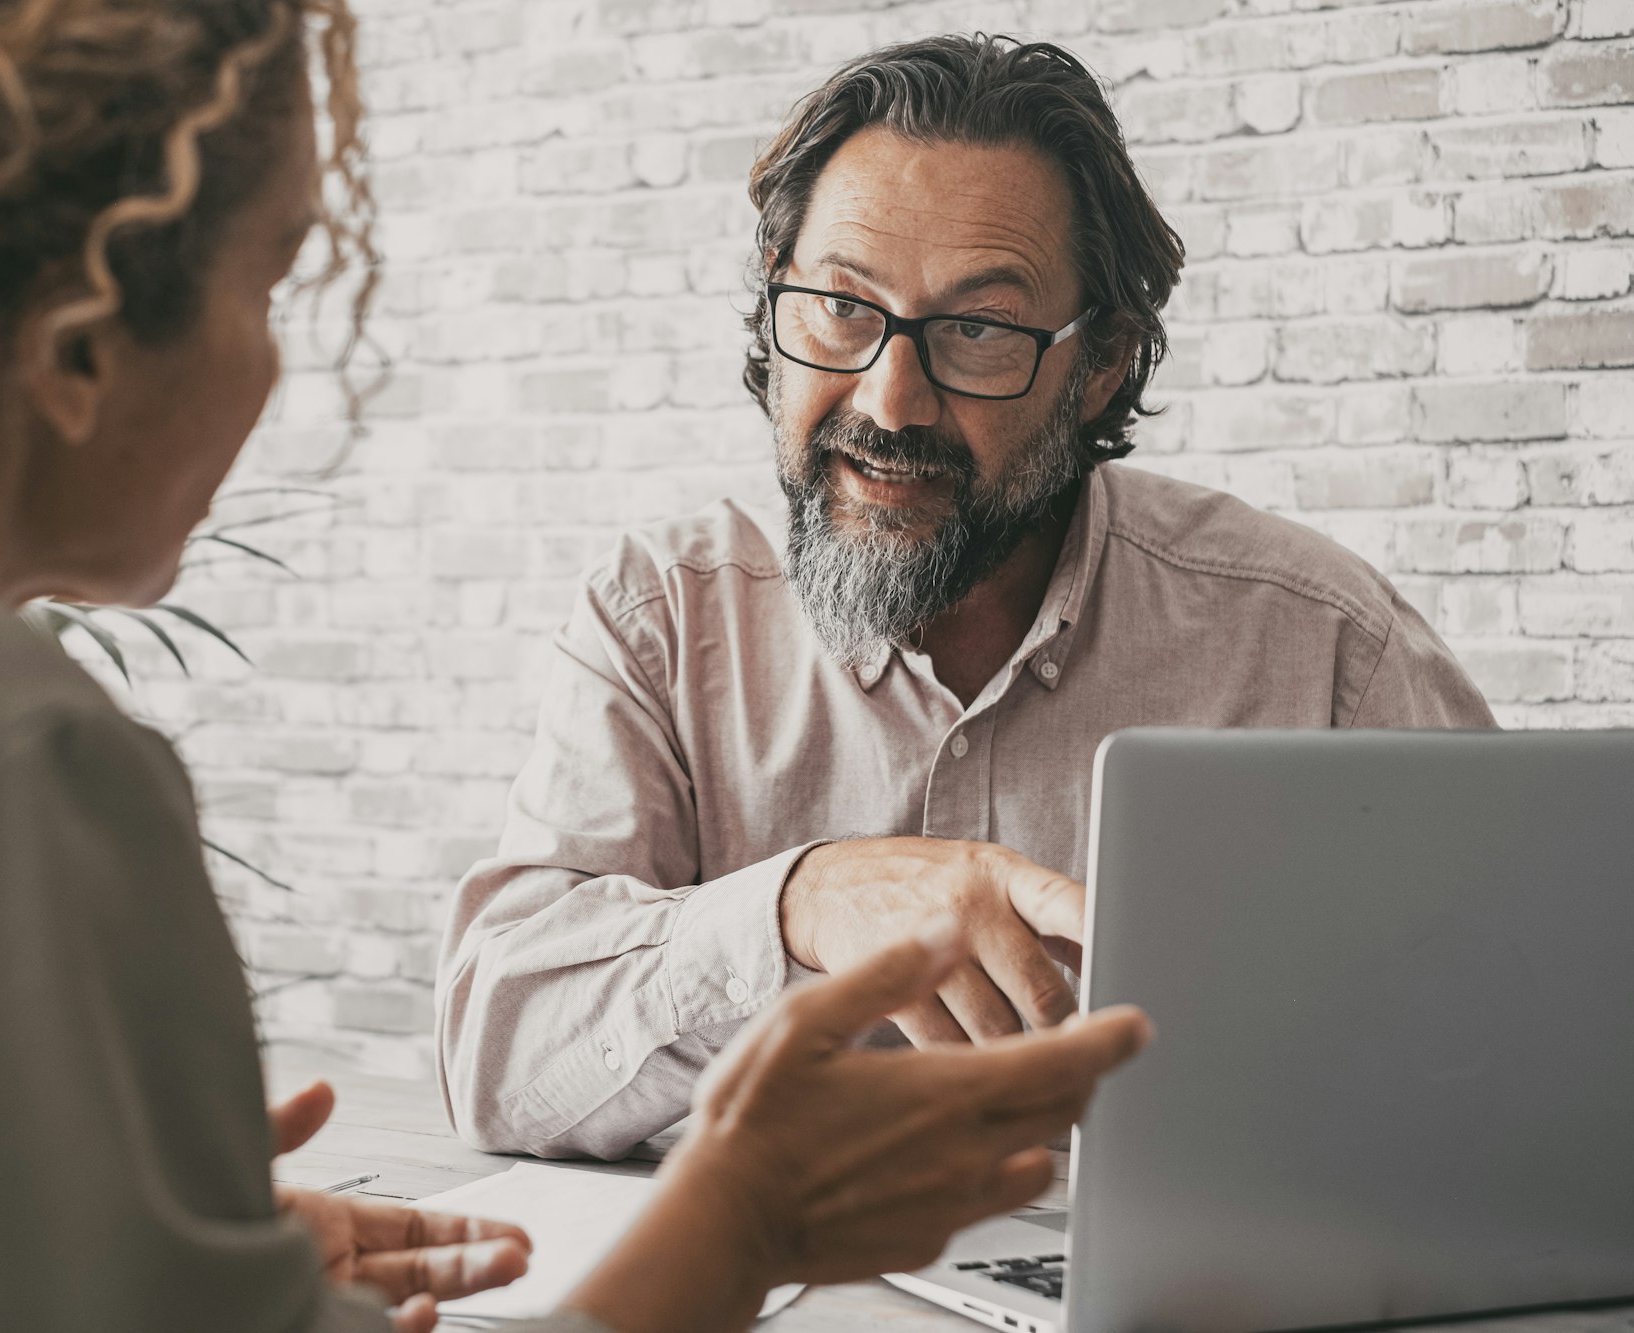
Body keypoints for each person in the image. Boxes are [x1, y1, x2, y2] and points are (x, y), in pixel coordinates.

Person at [0, 4, 1151, 1332]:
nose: (283, 366)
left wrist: (197, 1277)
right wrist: (746, 1219)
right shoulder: (4, 764)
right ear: (86, 327)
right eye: (279, 279)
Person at [438, 33, 1494, 1162]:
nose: (890, 401)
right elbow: (500, 1062)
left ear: (1098, 365)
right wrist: (799, 904)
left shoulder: (1319, 643)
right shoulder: (662, 613)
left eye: (976, 331)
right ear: (772, 306)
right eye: (839, 308)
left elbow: (1523, 1035)